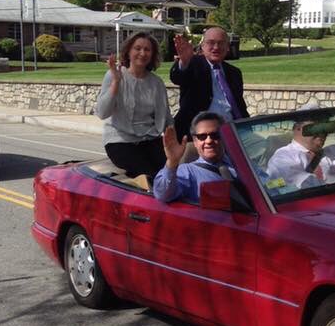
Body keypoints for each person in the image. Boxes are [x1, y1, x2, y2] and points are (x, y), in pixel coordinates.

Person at [94, 33, 173, 178]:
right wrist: (116, 83)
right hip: (120, 141)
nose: (142, 53)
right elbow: (102, 113)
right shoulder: (113, 75)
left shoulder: (156, 83)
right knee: (151, 175)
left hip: (150, 139)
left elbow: (166, 117)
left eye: (147, 49)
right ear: (128, 51)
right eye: (137, 48)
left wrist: (174, 142)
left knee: (170, 173)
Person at [169, 27, 249, 140]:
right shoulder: (193, 64)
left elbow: (239, 106)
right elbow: (177, 77)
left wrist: (248, 126)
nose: (216, 47)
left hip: (233, 131)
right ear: (202, 46)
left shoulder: (234, 72)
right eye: (211, 43)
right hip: (199, 135)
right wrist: (184, 62)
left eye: (221, 43)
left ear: (227, 47)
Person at [153, 111, 236, 203]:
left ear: (225, 136)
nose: (209, 141)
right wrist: (172, 161)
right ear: (195, 141)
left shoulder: (239, 162)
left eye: (215, 135)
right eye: (202, 136)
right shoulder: (188, 171)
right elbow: (162, 194)